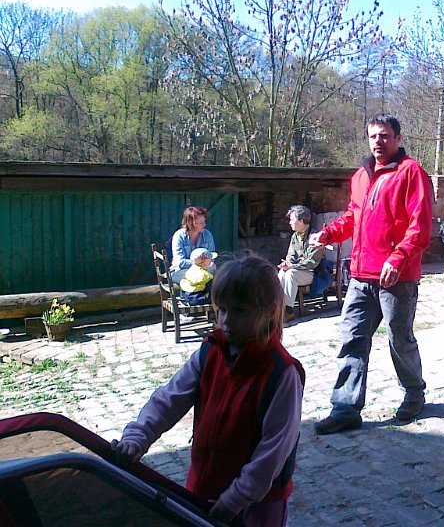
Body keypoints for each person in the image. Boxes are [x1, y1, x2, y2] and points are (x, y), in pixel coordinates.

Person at [111, 253, 304, 527]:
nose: (226, 320)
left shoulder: (281, 373)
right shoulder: (209, 353)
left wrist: (235, 499)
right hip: (202, 489)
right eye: (222, 309)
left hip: (257, 508)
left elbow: (273, 450)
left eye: (240, 311)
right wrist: (138, 435)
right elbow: (169, 399)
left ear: (270, 310)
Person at [308, 114, 432, 435]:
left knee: (399, 339)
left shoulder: (411, 172)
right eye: (373, 135)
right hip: (361, 276)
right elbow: (353, 216)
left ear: (397, 138)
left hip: (397, 278)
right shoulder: (361, 175)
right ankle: (345, 408)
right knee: (352, 338)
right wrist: (328, 234)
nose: (378, 141)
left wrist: (398, 258)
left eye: (385, 135)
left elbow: (420, 226)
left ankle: (414, 393)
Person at [278, 205, 326, 322]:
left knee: (291, 274)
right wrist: (287, 264)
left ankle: (288, 312)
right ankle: (278, 308)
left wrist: (292, 266)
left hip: (313, 273)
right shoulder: (295, 236)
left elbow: (311, 263)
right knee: (282, 272)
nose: (290, 222)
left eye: (292, 220)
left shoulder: (315, 236)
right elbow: (291, 255)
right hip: (298, 270)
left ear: (300, 221)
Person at [170, 206, 216, 282]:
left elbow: (212, 256)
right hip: (181, 271)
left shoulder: (207, 235)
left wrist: (209, 263)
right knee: (198, 278)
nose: (204, 224)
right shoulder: (179, 236)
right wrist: (199, 262)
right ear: (190, 223)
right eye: (201, 223)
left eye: (204, 221)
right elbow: (180, 262)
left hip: (204, 270)